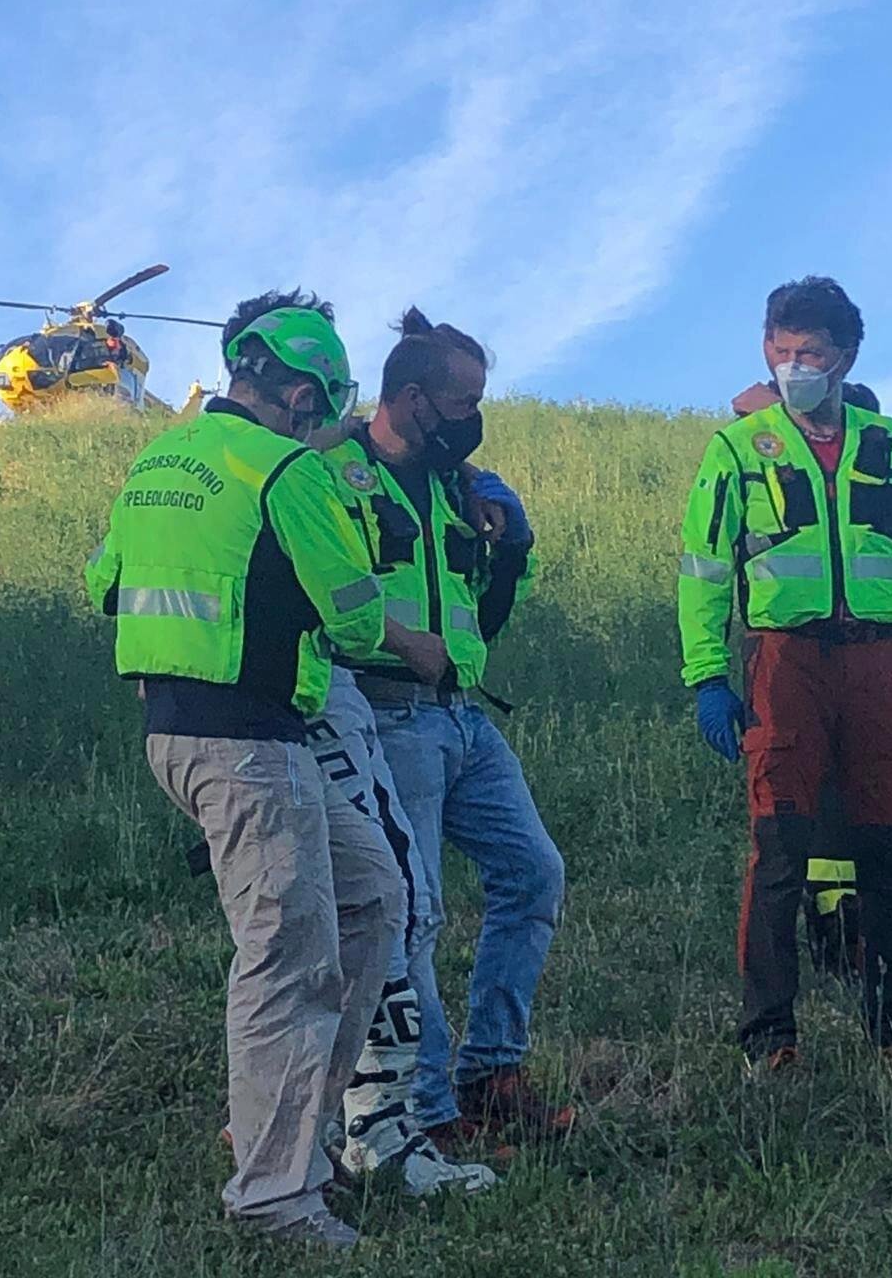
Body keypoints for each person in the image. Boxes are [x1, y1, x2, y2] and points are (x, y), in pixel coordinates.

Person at [85, 291, 404, 1251]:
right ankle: (273, 1198)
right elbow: (353, 618)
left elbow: (107, 583)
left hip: (184, 736)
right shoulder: (283, 472)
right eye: (323, 401)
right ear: (304, 391)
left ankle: (287, 1131)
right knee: (286, 960)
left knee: (369, 896)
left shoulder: (159, 458)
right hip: (252, 746)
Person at [316, 307, 570, 1156]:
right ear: (413, 397)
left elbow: (484, 618)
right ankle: (425, 1110)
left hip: (463, 715)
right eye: (464, 403)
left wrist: (516, 547)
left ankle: (491, 1072)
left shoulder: (457, 485)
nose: (474, 421)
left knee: (533, 873)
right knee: (414, 915)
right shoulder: (332, 473)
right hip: (383, 715)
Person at [680, 276, 892, 1066]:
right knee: (780, 850)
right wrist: (708, 676)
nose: (793, 368)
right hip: (783, 662)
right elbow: (703, 569)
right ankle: (769, 1035)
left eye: (809, 354)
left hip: (882, 660)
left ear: (846, 358)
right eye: (780, 353)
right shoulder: (737, 449)